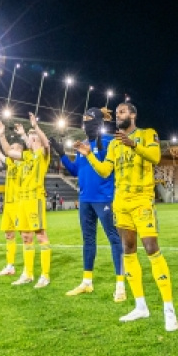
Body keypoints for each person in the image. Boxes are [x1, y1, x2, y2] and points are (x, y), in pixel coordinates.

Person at [75, 102, 178, 331]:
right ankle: (140, 306)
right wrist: (90, 155)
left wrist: (133, 145)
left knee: (151, 248)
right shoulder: (113, 144)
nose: (118, 115)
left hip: (142, 200)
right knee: (128, 249)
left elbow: (154, 157)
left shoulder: (147, 134)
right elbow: (104, 171)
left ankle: (169, 309)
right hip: (120, 202)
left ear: (133, 114)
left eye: (122, 111)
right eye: (117, 112)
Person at [50, 107, 125, 300]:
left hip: (104, 198)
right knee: (88, 240)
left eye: (89, 119)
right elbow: (76, 171)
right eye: (83, 120)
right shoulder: (82, 144)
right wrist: (62, 155)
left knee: (114, 239)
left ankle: (120, 284)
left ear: (99, 122)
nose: (85, 123)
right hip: (85, 199)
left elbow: (108, 168)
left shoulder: (109, 142)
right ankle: (87, 282)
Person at [0, 112, 52, 288]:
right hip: (22, 200)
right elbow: (8, 152)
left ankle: (45, 275)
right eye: (29, 139)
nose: (31, 141)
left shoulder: (43, 154)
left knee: (41, 235)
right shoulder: (27, 157)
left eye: (34, 139)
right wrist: (1, 136)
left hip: (35, 199)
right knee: (25, 236)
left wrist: (35, 128)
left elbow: (45, 143)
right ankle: (28, 274)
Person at [0, 121, 23, 278]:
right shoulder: (10, 163)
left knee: (25, 236)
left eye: (13, 149)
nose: (10, 151)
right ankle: (10, 266)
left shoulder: (24, 163)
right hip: (8, 205)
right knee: (9, 235)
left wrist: (1, 135)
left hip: (20, 204)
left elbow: (5, 151)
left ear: (20, 151)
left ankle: (28, 269)